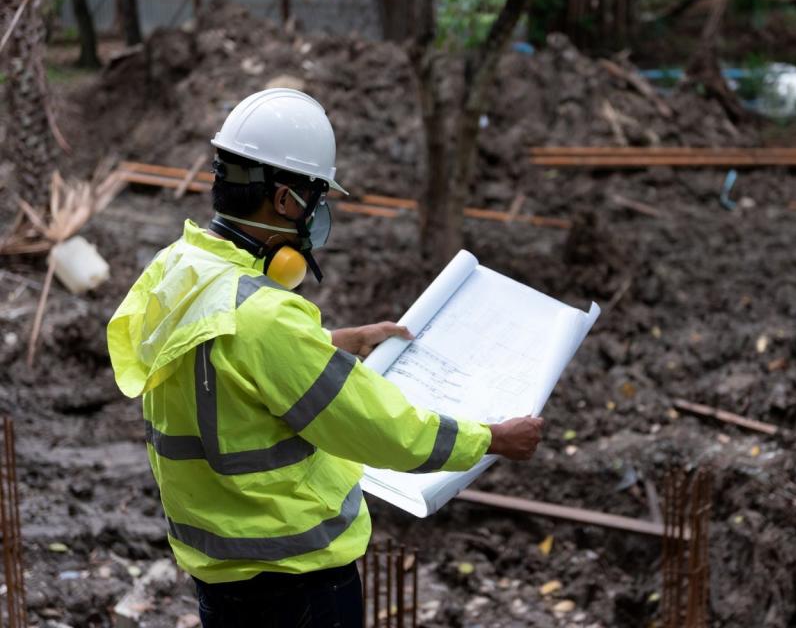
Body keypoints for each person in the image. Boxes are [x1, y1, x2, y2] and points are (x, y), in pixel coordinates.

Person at [106, 88, 544, 628]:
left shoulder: (177, 268)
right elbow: (383, 430)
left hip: (222, 573)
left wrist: (334, 341)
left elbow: (218, 361)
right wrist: (492, 440)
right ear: (287, 200)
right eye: (317, 201)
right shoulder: (266, 319)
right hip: (294, 579)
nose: (317, 216)